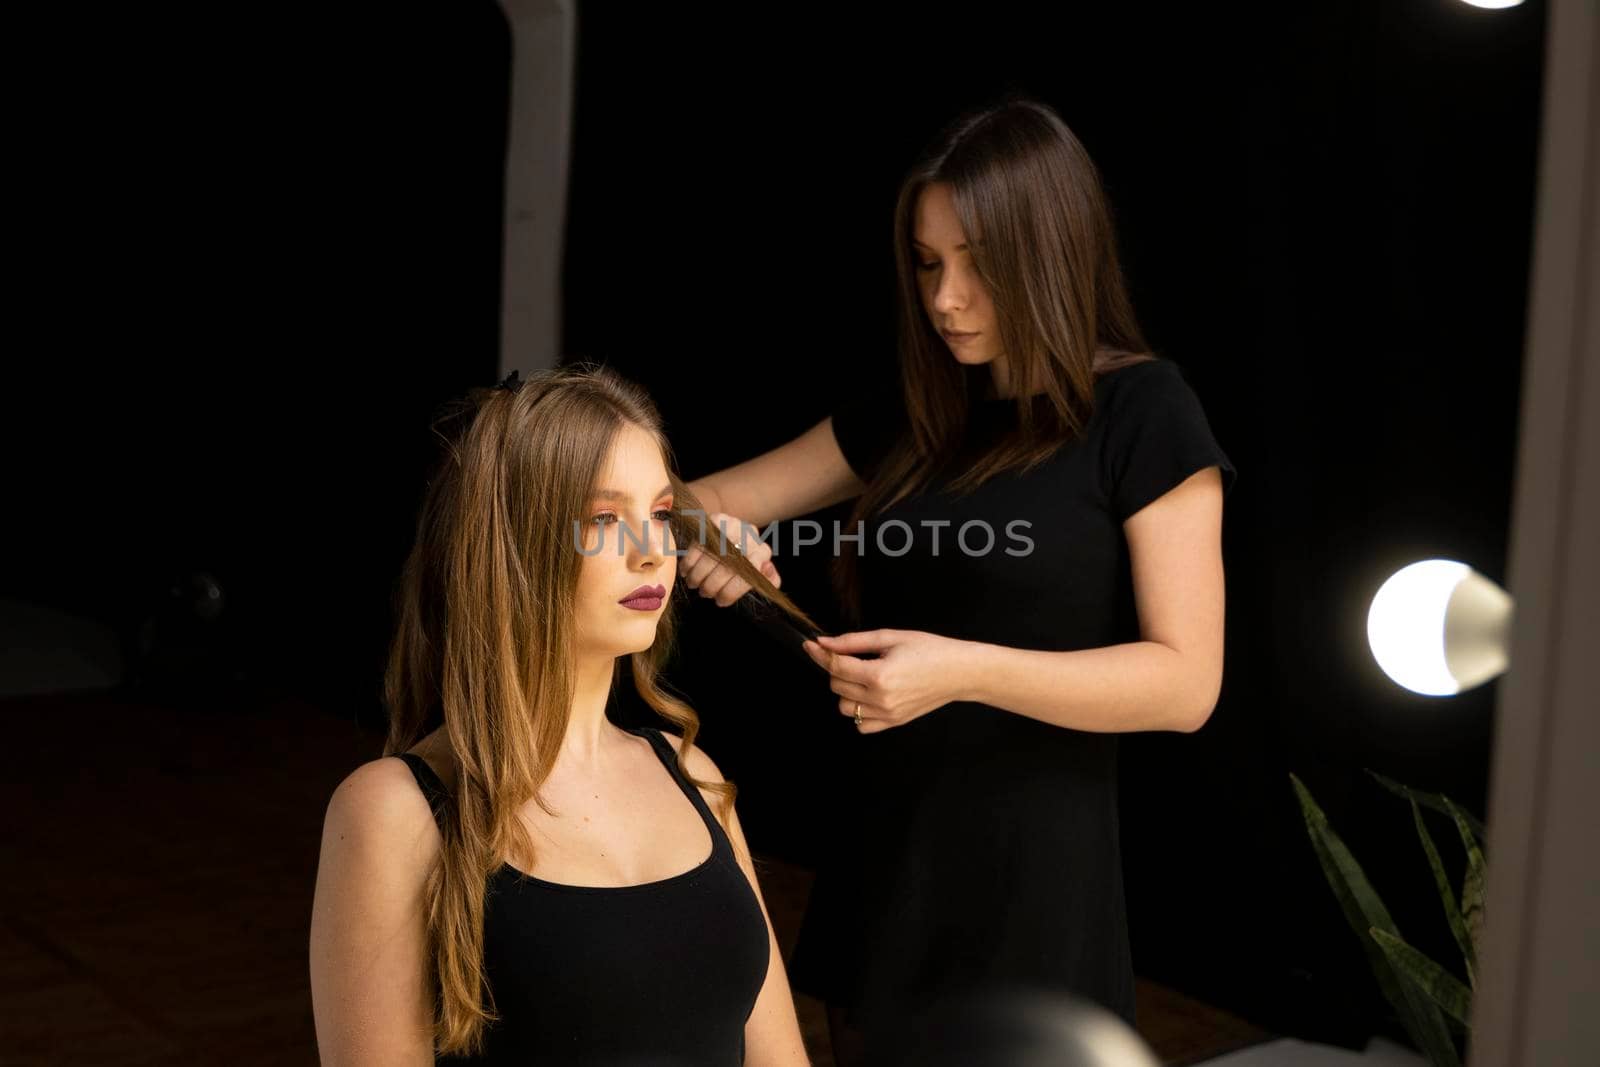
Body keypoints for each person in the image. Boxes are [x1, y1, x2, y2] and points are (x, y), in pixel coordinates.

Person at [679, 95, 1237, 1063]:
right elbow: (686, 498)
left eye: (979, 262)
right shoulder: (918, 409)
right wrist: (721, 536)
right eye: (929, 263)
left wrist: (962, 669)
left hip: (1037, 891)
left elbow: (1185, 684)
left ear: (1050, 251)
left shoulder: (1142, 411)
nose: (945, 298)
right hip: (887, 868)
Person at [309, 365, 819, 1065]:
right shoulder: (395, 811)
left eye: (663, 514)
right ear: (515, 546)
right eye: (604, 519)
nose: (652, 551)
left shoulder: (691, 772)